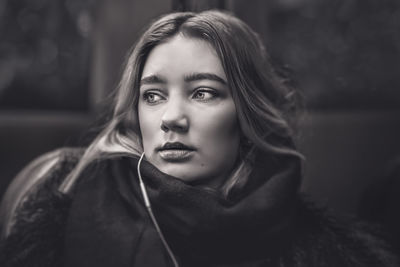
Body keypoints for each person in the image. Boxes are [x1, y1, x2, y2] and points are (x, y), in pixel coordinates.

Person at [0, 10, 397, 267]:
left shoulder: (324, 253)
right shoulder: (64, 210)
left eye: (203, 93)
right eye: (153, 96)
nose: (172, 118)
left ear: (246, 113)